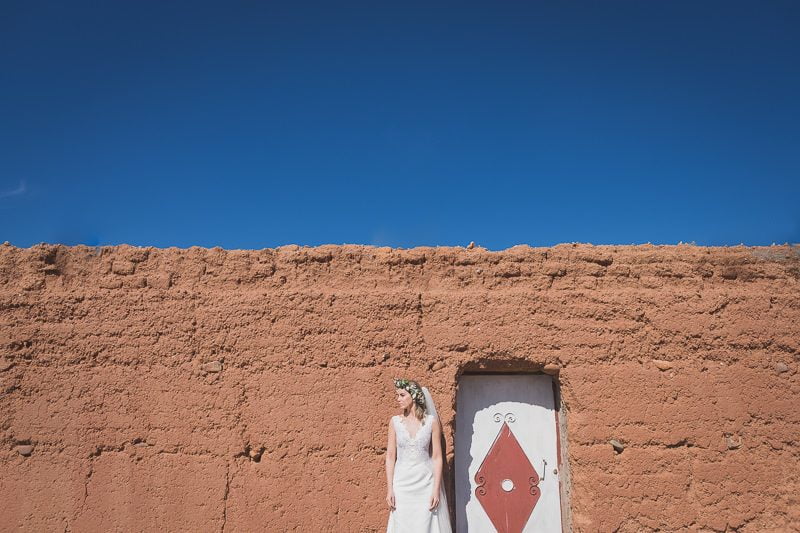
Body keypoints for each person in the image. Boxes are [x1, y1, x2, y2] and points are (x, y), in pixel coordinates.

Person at [386, 378, 453, 533]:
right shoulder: (395, 422)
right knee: (402, 523)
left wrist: (436, 489)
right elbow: (390, 457)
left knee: (426, 524)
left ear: (414, 396)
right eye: (397, 395)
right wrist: (390, 489)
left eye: (402, 395)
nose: (398, 399)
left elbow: (437, 457)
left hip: (426, 483)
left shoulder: (431, 422)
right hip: (402, 483)